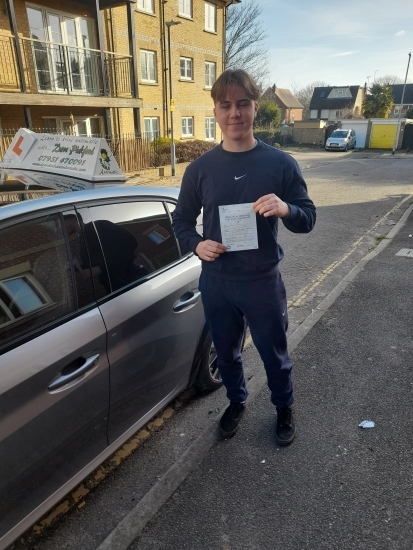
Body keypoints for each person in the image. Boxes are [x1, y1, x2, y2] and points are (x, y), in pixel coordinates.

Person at [172, 69, 316, 446]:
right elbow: (181, 220)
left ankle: (284, 407)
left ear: (255, 108)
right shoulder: (200, 169)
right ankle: (237, 401)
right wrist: (196, 244)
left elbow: (308, 218)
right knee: (227, 353)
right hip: (217, 281)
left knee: (275, 355)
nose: (234, 113)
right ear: (216, 113)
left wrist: (286, 208)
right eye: (225, 105)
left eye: (242, 104)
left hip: (261, 282)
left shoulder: (281, 164)